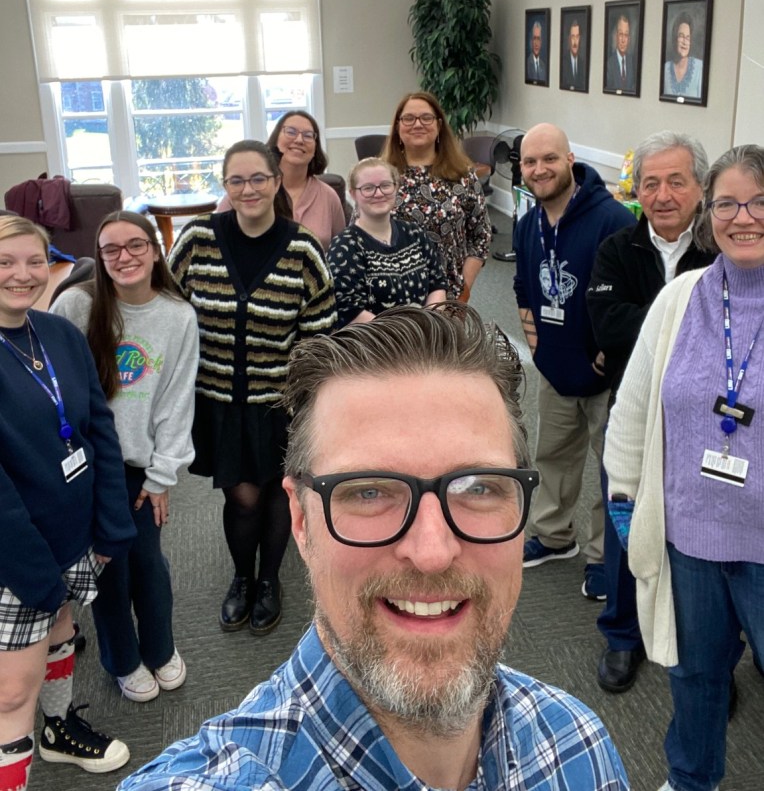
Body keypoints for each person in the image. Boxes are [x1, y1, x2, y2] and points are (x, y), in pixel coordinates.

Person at [117, 303, 629, 791]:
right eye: (368, 492)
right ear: (301, 520)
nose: (432, 552)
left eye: (477, 487)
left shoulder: (578, 745)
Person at [605, 144, 764, 791]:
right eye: (728, 203)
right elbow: (634, 406)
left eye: (759, 201)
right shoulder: (680, 299)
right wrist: (623, 499)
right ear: (709, 213)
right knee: (695, 674)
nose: (743, 217)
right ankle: (691, 777)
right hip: (690, 536)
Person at [168, 140, 336, 637]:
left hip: (279, 403)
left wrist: (311, 406)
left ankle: (269, 580)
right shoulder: (198, 238)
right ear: (225, 186)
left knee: (277, 493)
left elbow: (319, 336)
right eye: (236, 180)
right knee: (242, 498)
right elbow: (167, 306)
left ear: (276, 182)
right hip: (218, 401)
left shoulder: (302, 248)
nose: (248, 189)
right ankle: (242, 576)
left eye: (258, 178)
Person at [0, 215, 134, 789]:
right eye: (5, 262)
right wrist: (36, 575)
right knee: (12, 694)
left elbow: (98, 430)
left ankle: (57, 730)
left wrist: (110, 526)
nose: (23, 274)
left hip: (70, 535)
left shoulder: (57, 333)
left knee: (60, 631)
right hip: (15, 557)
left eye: (35, 260)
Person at [51, 210, 198, 703]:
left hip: (140, 467)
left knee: (148, 563)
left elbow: (177, 400)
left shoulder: (177, 315)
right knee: (108, 569)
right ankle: (123, 660)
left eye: (135, 245)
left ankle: (160, 648)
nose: (124, 256)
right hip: (88, 467)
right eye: (110, 249)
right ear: (99, 257)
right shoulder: (76, 304)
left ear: (155, 251)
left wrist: (162, 475)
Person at [586, 133, 714, 694]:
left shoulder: (720, 249)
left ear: (700, 187)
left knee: (699, 537)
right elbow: (607, 326)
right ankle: (622, 635)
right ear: (637, 190)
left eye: (676, 181)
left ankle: (707, 644)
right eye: (651, 183)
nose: (662, 195)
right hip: (633, 415)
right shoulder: (617, 248)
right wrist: (683, 323)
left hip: (705, 421)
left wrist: (648, 327)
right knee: (625, 526)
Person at [513, 123, 634, 597]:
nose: (539, 169)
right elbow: (523, 290)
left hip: (607, 377)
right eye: (529, 161)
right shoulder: (528, 224)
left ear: (570, 160)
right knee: (554, 455)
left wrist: (611, 351)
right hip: (555, 368)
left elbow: (633, 296)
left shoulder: (613, 220)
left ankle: (603, 555)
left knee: (612, 467)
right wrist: (537, 349)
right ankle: (553, 535)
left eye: (549, 158)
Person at [383, 91, 491, 301]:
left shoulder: (462, 175)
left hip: (449, 297)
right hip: (390, 298)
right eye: (408, 118)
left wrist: (464, 289)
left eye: (426, 118)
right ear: (397, 127)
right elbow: (359, 235)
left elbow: (481, 236)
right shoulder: (380, 176)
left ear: (439, 125)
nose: (417, 124)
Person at [327, 157, 447, 327]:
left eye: (385, 185)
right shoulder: (344, 246)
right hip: (373, 340)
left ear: (396, 188)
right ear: (353, 194)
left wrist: (428, 327)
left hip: (425, 334)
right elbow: (347, 309)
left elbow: (437, 284)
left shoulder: (414, 233)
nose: (378, 194)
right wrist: (404, 334)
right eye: (368, 188)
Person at [217, 113, 345, 251]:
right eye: (291, 132)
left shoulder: (329, 196)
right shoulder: (245, 193)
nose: (299, 140)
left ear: (315, 148)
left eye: (308, 135)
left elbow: (340, 251)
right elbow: (219, 243)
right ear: (276, 140)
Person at [663, 12, 703, 100]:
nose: (684, 42)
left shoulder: (700, 68)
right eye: (681, 36)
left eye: (687, 38)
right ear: (675, 38)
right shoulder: (665, 69)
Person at [606, 14, 636, 92]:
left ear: (629, 39)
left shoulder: (632, 62)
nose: (623, 40)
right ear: (616, 36)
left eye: (626, 35)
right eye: (620, 34)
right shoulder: (609, 64)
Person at [561, 17, 586, 90]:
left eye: (577, 37)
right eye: (572, 37)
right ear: (569, 39)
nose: (575, 42)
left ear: (580, 39)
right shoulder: (563, 62)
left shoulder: (582, 63)